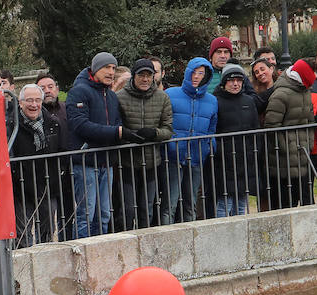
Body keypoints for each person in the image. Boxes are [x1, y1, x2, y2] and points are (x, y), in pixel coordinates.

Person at [65, 51, 124, 239]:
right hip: (85, 163)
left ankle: (101, 254)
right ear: (95, 69)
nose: (111, 72)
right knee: (85, 215)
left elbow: (117, 123)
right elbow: (80, 125)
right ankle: (82, 256)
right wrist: (116, 133)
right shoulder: (79, 91)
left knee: (104, 215)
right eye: (107, 67)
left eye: (114, 68)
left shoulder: (112, 96)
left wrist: (122, 133)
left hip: (106, 162)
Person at [115, 58, 173, 231]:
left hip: (151, 164)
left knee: (146, 211)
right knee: (127, 211)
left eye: (149, 75)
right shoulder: (119, 98)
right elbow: (114, 128)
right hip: (127, 164)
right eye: (142, 75)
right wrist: (129, 136)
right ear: (134, 76)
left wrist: (154, 134)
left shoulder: (162, 98)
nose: (146, 79)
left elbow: (168, 130)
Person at [8, 84, 67, 246]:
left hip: (48, 186)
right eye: (29, 100)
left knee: (47, 233)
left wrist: (58, 172)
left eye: (37, 100)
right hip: (21, 189)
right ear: (20, 103)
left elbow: (62, 150)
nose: (33, 105)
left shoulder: (53, 123)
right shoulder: (12, 125)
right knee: (22, 235)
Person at [163, 57, 218, 224]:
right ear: (187, 73)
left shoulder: (212, 100)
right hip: (173, 157)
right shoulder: (170, 94)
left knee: (191, 203)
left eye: (201, 73)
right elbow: (164, 123)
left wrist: (208, 148)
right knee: (169, 204)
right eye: (194, 72)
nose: (196, 76)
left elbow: (212, 129)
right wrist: (170, 146)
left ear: (206, 76)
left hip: (197, 158)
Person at [262, 58, 315, 209]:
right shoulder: (280, 95)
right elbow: (272, 126)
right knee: (285, 203)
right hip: (283, 160)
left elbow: (310, 122)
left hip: (302, 154)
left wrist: (309, 144)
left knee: (305, 198)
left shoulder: (305, 91)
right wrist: (286, 148)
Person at [213, 63, 259, 217]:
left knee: (241, 203)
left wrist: (254, 151)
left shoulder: (248, 101)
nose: (235, 84)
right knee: (224, 204)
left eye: (239, 80)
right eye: (231, 80)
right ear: (224, 82)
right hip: (224, 160)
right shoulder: (216, 101)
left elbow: (255, 128)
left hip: (245, 159)